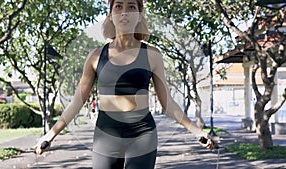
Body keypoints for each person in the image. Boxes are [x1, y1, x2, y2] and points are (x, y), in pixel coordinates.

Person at [34, 0, 217, 168]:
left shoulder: (152, 54)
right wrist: (51, 135)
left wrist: (196, 131)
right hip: (106, 133)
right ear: (111, 14)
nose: (124, 12)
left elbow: (167, 102)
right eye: (118, 6)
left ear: (139, 15)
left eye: (131, 7)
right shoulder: (96, 56)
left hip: (142, 133)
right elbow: (77, 102)